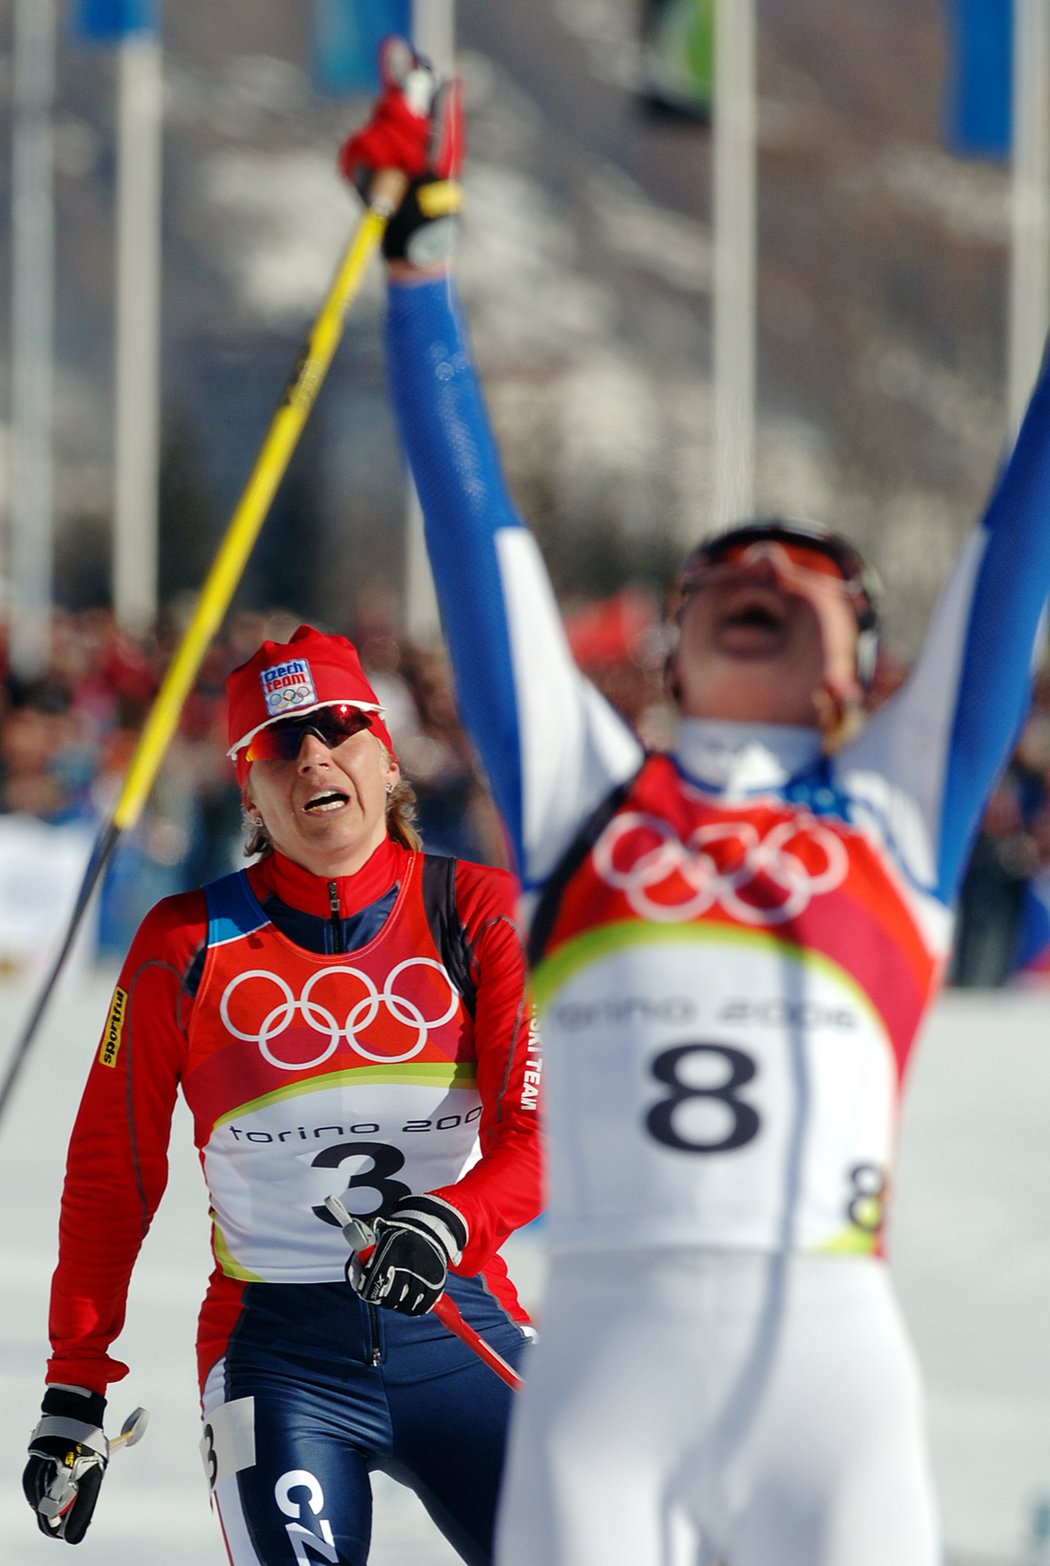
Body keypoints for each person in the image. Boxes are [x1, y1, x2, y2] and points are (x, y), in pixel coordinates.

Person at [338, 43, 1050, 1566]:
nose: (758, 567)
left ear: (860, 676)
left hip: (826, 1367)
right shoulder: (582, 798)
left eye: (808, 572)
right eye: (720, 567)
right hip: (602, 1357)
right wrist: (417, 270)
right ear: (666, 647)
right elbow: (477, 535)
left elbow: (1017, 536)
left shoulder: (901, 808)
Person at [22, 623, 543, 1565]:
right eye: (278, 742)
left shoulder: (477, 913)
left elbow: (542, 1138)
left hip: (461, 1323)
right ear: (249, 788)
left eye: (337, 726)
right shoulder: (184, 944)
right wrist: (73, 1385)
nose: (312, 755)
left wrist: (447, 1222)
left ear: (387, 758)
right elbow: (112, 1177)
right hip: (278, 1361)